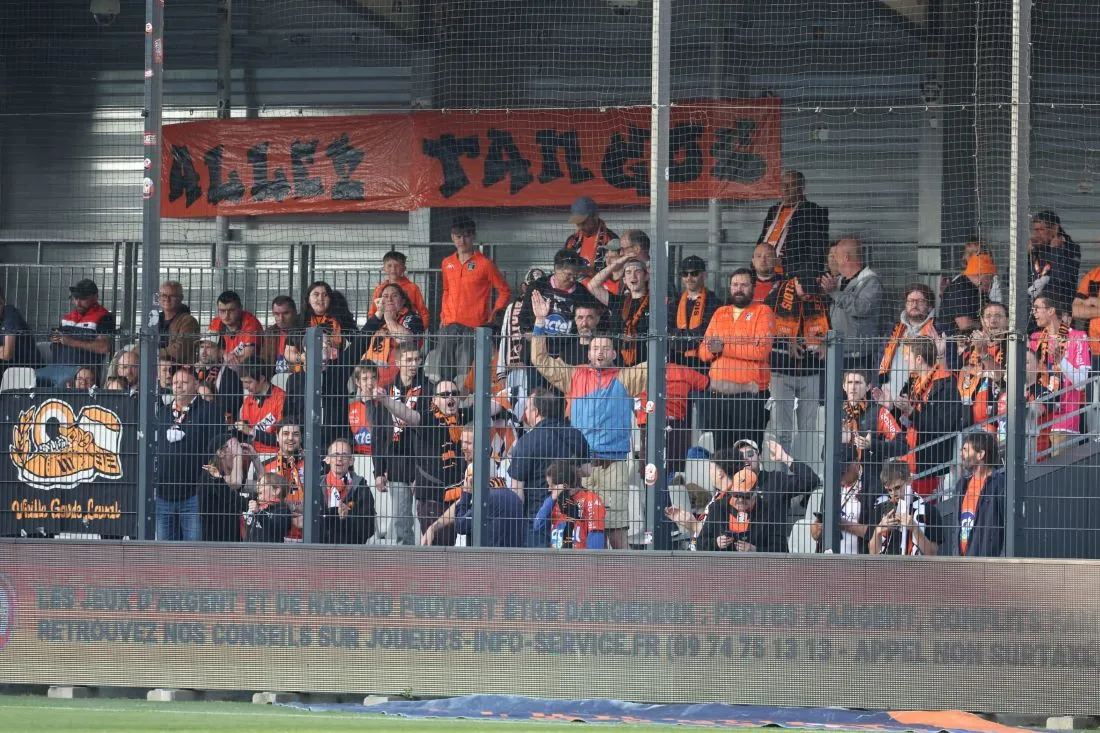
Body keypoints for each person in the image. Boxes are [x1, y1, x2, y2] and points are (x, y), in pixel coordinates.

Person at [531, 290, 644, 549]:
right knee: (580, 530)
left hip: (613, 466)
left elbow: (659, 364)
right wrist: (539, 322)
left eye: (606, 348)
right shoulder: (574, 376)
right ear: (588, 354)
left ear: (614, 354)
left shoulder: (626, 377)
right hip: (580, 467)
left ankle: (622, 575)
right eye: (595, 348)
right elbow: (539, 360)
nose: (600, 352)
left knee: (616, 532)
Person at [697, 268, 776, 453]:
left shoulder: (763, 311)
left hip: (749, 396)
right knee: (721, 452)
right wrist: (716, 350)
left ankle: (748, 474)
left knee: (747, 452)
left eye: (744, 285)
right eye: (735, 285)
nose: (739, 289)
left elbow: (761, 350)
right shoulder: (720, 312)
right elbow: (703, 352)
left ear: (753, 288)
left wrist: (723, 348)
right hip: (718, 394)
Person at [506, 387, 590, 543]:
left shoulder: (526, 442)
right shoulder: (575, 435)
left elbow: (517, 491)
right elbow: (587, 471)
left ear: (536, 412)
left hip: (537, 519)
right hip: (570, 516)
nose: (525, 412)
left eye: (527, 408)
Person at [668, 445, 788, 553]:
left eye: (746, 496)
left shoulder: (768, 511)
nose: (740, 500)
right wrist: (716, 543)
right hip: (716, 565)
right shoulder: (718, 506)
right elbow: (701, 541)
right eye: (736, 495)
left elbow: (782, 549)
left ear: (755, 494)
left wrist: (755, 550)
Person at [423, 424, 526, 548]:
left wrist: (466, 494)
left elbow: (463, 520)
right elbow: (462, 502)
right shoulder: (470, 466)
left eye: (468, 443)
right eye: (462, 442)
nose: (463, 447)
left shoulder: (498, 468)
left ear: (481, 445)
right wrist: (434, 527)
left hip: (489, 546)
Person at [438, 215, 512, 381]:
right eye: (458, 236)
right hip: (449, 323)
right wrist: (443, 315)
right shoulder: (446, 263)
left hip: (474, 325)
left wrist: (493, 317)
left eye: (466, 236)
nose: (462, 241)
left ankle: (467, 396)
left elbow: (504, 290)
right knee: (444, 368)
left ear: (473, 236)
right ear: (452, 237)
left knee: (468, 370)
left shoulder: (485, 264)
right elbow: (446, 290)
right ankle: (444, 394)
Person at [765, 275, 829, 465]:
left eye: (811, 292)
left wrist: (825, 343)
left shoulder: (822, 297)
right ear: (796, 282)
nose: (808, 296)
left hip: (812, 371)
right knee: (782, 430)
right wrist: (786, 343)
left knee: (808, 431)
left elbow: (833, 329)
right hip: (781, 371)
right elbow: (764, 331)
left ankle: (805, 474)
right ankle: (782, 475)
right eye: (805, 291)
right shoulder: (776, 295)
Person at [895, 336, 967, 495]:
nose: (905, 359)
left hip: (932, 466)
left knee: (926, 508)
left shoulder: (946, 384)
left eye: (907, 355)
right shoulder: (912, 383)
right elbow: (902, 417)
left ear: (919, 359)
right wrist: (890, 406)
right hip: (910, 460)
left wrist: (912, 412)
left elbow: (943, 428)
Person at [155, 367, 220, 541]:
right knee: (164, 549)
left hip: (194, 495)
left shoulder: (209, 411)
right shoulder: (163, 413)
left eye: (184, 382)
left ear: (196, 385)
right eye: (175, 382)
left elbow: (217, 449)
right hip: (163, 494)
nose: (178, 386)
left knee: (193, 551)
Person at [377, 343, 430, 546]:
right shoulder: (387, 391)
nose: (414, 364)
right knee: (402, 523)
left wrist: (423, 468)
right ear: (398, 362)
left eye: (417, 359)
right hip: (397, 464)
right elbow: (380, 434)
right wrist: (378, 471)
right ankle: (405, 561)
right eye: (408, 360)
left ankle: (431, 559)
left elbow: (429, 429)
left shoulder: (428, 389)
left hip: (423, 464)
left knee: (428, 519)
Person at [412, 379, 471, 545]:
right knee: (438, 550)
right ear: (435, 400)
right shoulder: (428, 419)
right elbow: (408, 415)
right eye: (444, 395)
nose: (450, 397)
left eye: (454, 394)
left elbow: (490, 407)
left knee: (449, 547)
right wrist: (384, 400)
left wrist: (509, 394)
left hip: (455, 500)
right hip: (433, 501)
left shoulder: (461, 415)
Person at [1029, 296, 1090, 454]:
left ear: (1051, 310)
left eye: (1037, 308)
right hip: (1037, 420)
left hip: (1064, 421)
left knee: (1059, 468)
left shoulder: (1078, 337)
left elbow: (1082, 383)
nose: (1034, 312)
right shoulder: (1035, 339)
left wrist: (1060, 361)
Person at [520, 249, 602, 359]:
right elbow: (524, 318)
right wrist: (535, 339)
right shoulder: (538, 287)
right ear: (556, 270)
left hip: (567, 355)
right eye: (568, 274)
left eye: (575, 275)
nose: (572, 279)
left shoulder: (582, 293)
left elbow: (594, 318)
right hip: (536, 352)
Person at [819, 238, 883, 371]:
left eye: (836, 255)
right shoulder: (838, 281)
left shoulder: (870, 281)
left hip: (858, 356)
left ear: (846, 258)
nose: (833, 260)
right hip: (835, 351)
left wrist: (835, 293)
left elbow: (861, 308)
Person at [38, 279, 116, 388]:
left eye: (83, 299)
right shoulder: (68, 317)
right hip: (56, 368)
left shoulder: (104, 317)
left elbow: (104, 347)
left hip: (81, 371)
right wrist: (55, 338)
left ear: (95, 297)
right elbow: (58, 338)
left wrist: (71, 342)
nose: (78, 303)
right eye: (75, 298)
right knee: (29, 378)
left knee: (60, 385)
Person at [757, 170, 830, 279]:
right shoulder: (773, 210)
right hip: (764, 275)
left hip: (791, 277)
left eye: (791, 185)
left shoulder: (812, 211)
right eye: (783, 185)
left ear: (801, 187)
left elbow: (817, 253)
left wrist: (787, 267)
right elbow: (760, 241)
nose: (786, 188)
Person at [878, 283, 943, 404]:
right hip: (888, 399)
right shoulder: (894, 330)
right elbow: (879, 361)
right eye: (910, 301)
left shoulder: (937, 330)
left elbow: (946, 367)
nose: (914, 304)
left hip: (921, 401)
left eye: (920, 301)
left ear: (930, 307)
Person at [867, 458, 944, 556]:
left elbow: (932, 554)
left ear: (909, 481)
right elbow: (872, 553)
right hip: (886, 565)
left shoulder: (929, 511)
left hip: (914, 565)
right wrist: (878, 530)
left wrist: (915, 528)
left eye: (897, 487)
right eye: (889, 490)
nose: (893, 494)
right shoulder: (880, 509)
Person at [841, 370, 906, 484]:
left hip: (870, 483)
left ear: (868, 387)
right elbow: (823, 454)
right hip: (839, 484)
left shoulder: (879, 411)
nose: (853, 387)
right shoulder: (837, 413)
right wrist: (840, 443)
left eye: (858, 383)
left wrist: (872, 444)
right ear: (844, 386)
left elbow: (902, 446)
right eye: (849, 382)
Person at [950, 430, 1006, 557]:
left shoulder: (1000, 485)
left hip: (987, 563)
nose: (961, 454)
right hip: (962, 562)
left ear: (980, 454)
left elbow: (1008, 528)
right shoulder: (962, 485)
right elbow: (956, 528)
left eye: (966, 450)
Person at [808, 444, 871, 554]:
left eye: (843, 472)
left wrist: (844, 525)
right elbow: (820, 523)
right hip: (829, 558)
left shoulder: (871, 487)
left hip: (858, 560)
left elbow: (877, 532)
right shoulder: (831, 486)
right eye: (836, 472)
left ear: (856, 463)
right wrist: (816, 531)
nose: (839, 476)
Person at [587, 257, 650, 366]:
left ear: (646, 276)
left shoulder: (654, 303)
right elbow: (592, 286)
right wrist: (616, 264)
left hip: (645, 365)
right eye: (628, 272)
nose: (633, 276)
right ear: (624, 280)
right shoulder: (619, 301)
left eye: (637, 271)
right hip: (618, 366)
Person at [200, 434, 263, 542]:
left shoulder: (229, 475)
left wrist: (255, 457)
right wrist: (237, 455)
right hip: (216, 541)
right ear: (221, 452)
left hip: (232, 537)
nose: (240, 452)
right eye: (235, 447)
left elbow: (264, 485)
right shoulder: (210, 476)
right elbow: (235, 484)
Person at [360, 282, 424, 388]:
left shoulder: (413, 317)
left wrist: (389, 319)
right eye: (385, 296)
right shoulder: (377, 319)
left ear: (403, 300)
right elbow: (362, 341)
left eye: (394, 296)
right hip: (370, 381)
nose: (389, 299)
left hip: (397, 383)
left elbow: (405, 340)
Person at [958, 302, 1009, 431]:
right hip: (966, 420)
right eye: (988, 316)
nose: (993, 320)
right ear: (981, 320)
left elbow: (1003, 379)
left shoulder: (1011, 347)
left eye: (998, 316)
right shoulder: (969, 349)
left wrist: (984, 354)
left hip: (996, 423)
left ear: (1008, 321)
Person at [534, 460, 607, 550]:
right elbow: (538, 526)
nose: (549, 489)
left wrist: (589, 559)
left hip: (580, 556)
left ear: (564, 486)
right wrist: (552, 499)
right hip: (556, 556)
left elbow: (596, 541)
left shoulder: (590, 500)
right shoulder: (553, 500)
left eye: (551, 486)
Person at [320, 437, 377, 544]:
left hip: (350, 548)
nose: (339, 459)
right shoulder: (316, 485)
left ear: (351, 461)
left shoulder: (361, 487)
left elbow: (369, 529)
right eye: (335, 454)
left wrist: (349, 516)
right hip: (319, 548)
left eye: (344, 455)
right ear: (327, 459)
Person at [669, 255, 721, 369]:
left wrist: (679, 339)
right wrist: (691, 338)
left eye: (694, 273)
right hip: (676, 362)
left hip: (703, 364)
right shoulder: (674, 301)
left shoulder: (714, 302)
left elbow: (706, 332)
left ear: (704, 275)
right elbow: (668, 330)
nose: (689, 278)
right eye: (685, 274)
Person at [1028, 210, 1081, 313]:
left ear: (1055, 229)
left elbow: (1062, 278)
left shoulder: (1070, 249)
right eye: (1034, 230)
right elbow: (1010, 279)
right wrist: (1025, 254)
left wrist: (1056, 250)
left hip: (1059, 310)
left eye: (1040, 229)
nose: (1036, 234)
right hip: (1033, 309)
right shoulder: (1035, 248)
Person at [262, 423, 307, 541]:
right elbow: (261, 501)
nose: (290, 438)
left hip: (307, 536)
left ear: (301, 438)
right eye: (286, 434)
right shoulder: (265, 466)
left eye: (295, 434)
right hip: (276, 535)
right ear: (277, 437)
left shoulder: (313, 466)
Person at [234, 358, 287, 455]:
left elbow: (282, 438)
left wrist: (251, 431)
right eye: (243, 382)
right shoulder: (248, 400)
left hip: (276, 453)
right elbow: (243, 433)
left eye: (249, 382)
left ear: (262, 378)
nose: (245, 386)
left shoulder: (281, 398)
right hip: (253, 452)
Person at [937, 252, 996, 336]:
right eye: (990, 277)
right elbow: (965, 324)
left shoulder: (978, 289)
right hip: (953, 340)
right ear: (980, 274)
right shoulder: (959, 289)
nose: (991, 281)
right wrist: (988, 324)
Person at [367, 250, 430, 327]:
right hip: (384, 329)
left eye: (397, 266)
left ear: (404, 268)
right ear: (384, 269)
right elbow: (372, 313)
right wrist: (375, 330)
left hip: (407, 329)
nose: (393, 269)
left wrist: (418, 330)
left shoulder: (413, 288)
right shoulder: (379, 289)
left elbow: (423, 313)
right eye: (389, 266)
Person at [193, 331, 244, 425]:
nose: (203, 352)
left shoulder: (229, 371)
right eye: (202, 347)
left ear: (221, 351)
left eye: (209, 347)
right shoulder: (198, 369)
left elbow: (229, 407)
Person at [298, 281, 358, 353]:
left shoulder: (340, 319)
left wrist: (346, 355)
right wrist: (301, 357)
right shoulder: (301, 319)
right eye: (316, 294)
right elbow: (291, 347)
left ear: (330, 299)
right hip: (305, 359)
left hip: (336, 359)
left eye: (325, 295)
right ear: (308, 299)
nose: (321, 298)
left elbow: (358, 340)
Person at [207, 290, 263, 367]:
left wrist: (220, 355)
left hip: (245, 369)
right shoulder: (215, 323)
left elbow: (248, 355)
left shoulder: (251, 323)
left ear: (240, 309)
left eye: (231, 310)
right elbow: (208, 351)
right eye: (222, 311)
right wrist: (224, 354)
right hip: (220, 367)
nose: (226, 316)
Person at [564, 196, 618, 275]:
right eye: (578, 223)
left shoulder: (610, 240)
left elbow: (615, 273)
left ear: (595, 217)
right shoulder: (571, 241)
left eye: (583, 222)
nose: (580, 227)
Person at [156, 280, 200, 365]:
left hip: (179, 368)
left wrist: (151, 352)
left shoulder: (188, 321)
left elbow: (178, 351)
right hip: (155, 366)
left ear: (181, 298)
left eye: (172, 296)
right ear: (159, 298)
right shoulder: (155, 318)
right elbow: (142, 344)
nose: (167, 299)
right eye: (164, 295)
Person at [0, 287, 40, 378]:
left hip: (29, 369)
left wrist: (4, 351)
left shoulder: (9, 312)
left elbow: (7, 353)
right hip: (8, 370)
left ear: (3, 301)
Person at [244, 472, 293, 543]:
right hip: (248, 549)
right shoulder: (257, 505)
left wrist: (259, 512)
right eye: (258, 484)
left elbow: (278, 530)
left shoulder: (283, 509)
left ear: (276, 491)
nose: (258, 486)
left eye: (263, 484)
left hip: (268, 550)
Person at [260, 295, 300, 374]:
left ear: (295, 312)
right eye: (276, 314)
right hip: (273, 377)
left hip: (297, 376)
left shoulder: (303, 331)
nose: (281, 318)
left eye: (286, 313)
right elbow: (264, 360)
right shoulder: (270, 333)